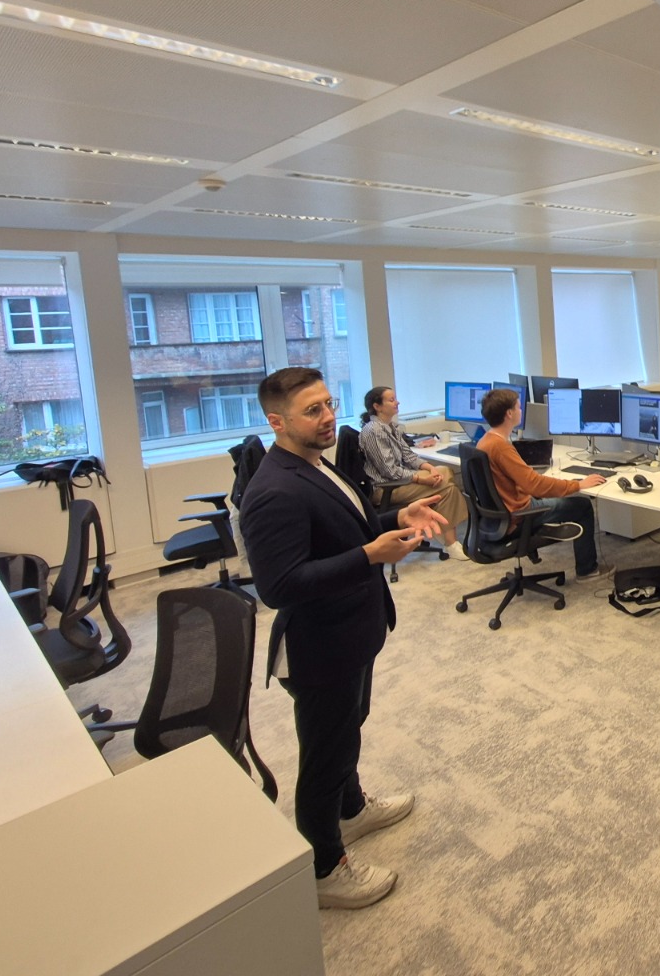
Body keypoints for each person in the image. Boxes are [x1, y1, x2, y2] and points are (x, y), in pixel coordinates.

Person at [240, 366, 449, 910]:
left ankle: (351, 809)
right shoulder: (274, 489)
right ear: (277, 421)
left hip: (353, 629)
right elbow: (278, 586)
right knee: (324, 755)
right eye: (312, 410)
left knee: (347, 730)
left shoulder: (315, 463)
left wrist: (395, 515)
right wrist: (368, 556)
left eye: (328, 403)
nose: (328, 416)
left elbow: (344, 525)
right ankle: (323, 866)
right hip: (320, 645)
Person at [475, 387, 614, 583]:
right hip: (518, 515)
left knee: (550, 494)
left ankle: (547, 528)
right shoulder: (501, 447)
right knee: (582, 505)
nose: (521, 411)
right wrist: (578, 485)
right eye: (518, 407)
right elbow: (535, 485)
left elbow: (520, 483)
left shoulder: (485, 441)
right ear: (509, 414)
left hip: (501, 515)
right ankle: (587, 569)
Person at [358, 386, 467, 558]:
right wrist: (423, 480)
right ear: (377, 406)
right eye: (391, 400)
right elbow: (390, 471)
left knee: (445, 475)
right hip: (386, 487)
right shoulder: (374, 431)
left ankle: (447, 539)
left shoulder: (390, 426)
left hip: (400, 481)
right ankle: (450, 543)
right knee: (448, 487)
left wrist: (430, 468)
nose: (397, 402)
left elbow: (408, 456)